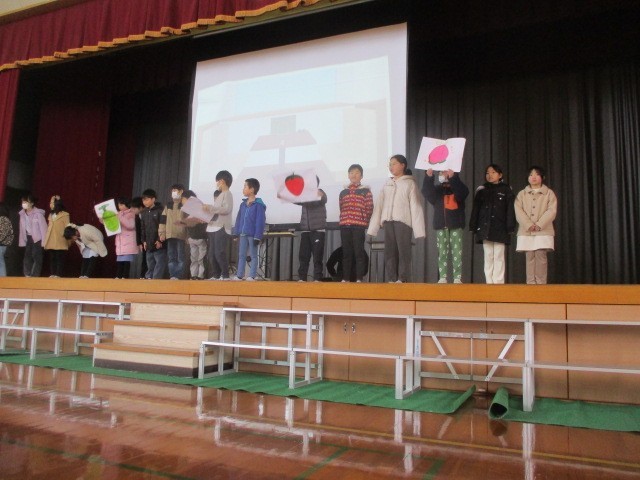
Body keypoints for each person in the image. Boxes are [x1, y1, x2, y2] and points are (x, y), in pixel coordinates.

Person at [367, 154, 425, 283]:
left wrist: (419, 230)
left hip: (403, 222)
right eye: (389, 164)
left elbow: (415, 206)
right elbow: (379, 206)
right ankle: (392, 278)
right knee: (390, 251)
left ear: (402, 165)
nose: (391, 166)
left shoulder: (409, 183)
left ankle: (402, 278)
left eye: (394, 164)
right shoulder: (387, 184)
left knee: (403, 251)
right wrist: (373, 228)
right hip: (388, 221)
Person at [469, 164, 516, 284]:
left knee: (499, 255)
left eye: (493, 172)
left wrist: (510, 226)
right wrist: (473, 226)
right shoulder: (481, 190)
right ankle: (489, 282)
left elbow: (510, 210)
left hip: (501, 227)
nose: (490, 175)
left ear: (500, 175)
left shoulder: (506, 190)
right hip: (485, 227)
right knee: (488, 255)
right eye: (487, 173)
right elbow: (476, 210)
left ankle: (498, 282)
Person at [422, 168, 469, 283]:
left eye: (444, 172)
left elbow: (462, 194)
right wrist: (429, 177)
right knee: (442, 252)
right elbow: (427, 192)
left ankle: (457, 277)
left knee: (457, 252)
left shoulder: (458, 187)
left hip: (456, 225)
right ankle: (442, 277)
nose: (442, 174)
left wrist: (453, 177)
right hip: (441, 225)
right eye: (440, 172)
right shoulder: (438, 190)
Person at [514, 166, 558, 284]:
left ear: (542, 177)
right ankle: (530, 284)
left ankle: (541, 285)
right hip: (526, 231)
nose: (533, 177)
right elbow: (518, 211)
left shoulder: (549, 193)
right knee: (529, 257)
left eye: (537, 174)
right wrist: (528, 224)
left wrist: (539, 224)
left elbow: (551, 211)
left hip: (543, 230)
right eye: (531, 174)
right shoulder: (522, 194)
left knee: (540, 256)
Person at [338, 164, 373, 282]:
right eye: (351, 172)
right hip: (345, 225)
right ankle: (346, 278)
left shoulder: (366, 191)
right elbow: (341, 207)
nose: (354, 175)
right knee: (346, 253)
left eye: (357, 172)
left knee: (359, 252)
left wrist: (363, 220)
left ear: (361, 176)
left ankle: (359, 278)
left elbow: (369, 209)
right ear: (348, 175)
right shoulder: (343, 192)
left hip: (359, 226)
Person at [232, 178, 266, 281]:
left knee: (253, 255)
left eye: (245, 186)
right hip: (242, 234)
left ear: (252, 189)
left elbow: (260, 221)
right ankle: (240, 275)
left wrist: (257, 236)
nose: (243, 189)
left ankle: (252, 275)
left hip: (252, 234)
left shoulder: (259, 205)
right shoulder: (243, 204)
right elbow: (238, 219)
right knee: (241, 255)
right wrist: (236, 233)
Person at [203, 171, 233, 281]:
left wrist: (210, 208)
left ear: (222, 181)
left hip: (221, 226)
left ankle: (225, 275)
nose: (217, 184)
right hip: (212, 227)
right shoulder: (220, 195)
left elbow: (226, 209)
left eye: (218, 181)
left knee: (219, 252)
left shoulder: (227, 194)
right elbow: (216, 211)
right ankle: (216, 275)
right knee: (211, 254)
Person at [296, 177, 327, 282]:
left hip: (318, 230)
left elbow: (323, 199)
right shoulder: (304, 195)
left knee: (317, 256)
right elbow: (296, 200)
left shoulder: (320, 192)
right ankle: (302, 278)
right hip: (306, 230)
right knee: (303, 256)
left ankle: (317, 278)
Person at [159, 184, 187, 280]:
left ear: (181, 191)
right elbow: (162, 220)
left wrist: (188, 236)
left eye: (175, 190)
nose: (173, 192)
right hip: (170, 234)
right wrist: (162, 233)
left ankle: (179, 276)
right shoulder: (168, 205)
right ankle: (173, 275)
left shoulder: (185, 204)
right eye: (172, 191)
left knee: (180, 257)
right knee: (171, 257)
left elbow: (189, 221)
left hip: (181, 235)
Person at [18, 194, 48, 277]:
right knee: (27, 256)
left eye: (26, 202)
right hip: (28, 237)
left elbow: (44, 228)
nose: (24, 203)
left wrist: (44, 242)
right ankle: (27, 274)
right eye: (23, 202)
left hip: (37, 238)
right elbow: (21, 229)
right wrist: (22, 240)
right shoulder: (22, 214)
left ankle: (35, 275)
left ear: (32, 203)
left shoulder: (38, 214)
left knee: (36, 256)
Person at [180, 190, 207, 280]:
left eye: (183, 199)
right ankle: (193, 275)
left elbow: (205, 222)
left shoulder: (200, 207)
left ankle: (200, 276)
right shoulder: (185, 210)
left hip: (201, 237)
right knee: (193, 258)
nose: (182, 201)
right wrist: (187, 236)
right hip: (191, 237)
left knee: (201, 258)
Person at [140, 189, 167, 279]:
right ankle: (149, 279)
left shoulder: (161, 210)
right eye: (143, 200)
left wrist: (160, 240)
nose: (144, 202)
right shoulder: (143, 212)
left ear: (153, 199)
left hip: (159, 243)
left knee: (159, 263)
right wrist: (144, 241)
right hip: (148, 243)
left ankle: (156, 280)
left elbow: (163, 226)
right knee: (150, 264)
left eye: (147, 199)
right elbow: (142, 228)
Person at [43, 195, 70, 278]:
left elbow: (67, 227)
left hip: (60, 239)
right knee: (52, 258)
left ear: (57, 204)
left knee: (59, 257)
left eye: (52, 203)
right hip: (51, 239)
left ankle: (58, 274)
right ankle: (53, 273)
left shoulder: (65, 214)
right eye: (50, 203)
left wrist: (68, 239)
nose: (50, 204)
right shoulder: (50, 215)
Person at [112, 198, 139, 279]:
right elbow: (112, 225)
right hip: (120, 241)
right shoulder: (119, 214)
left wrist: (120, 217)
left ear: (127, 205)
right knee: (120, 260)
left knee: (126, 261)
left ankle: (124, 276)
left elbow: (130, 225)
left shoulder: (131, 214)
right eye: (118, 205)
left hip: (128, 241)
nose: (119, 206)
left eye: (121, 204)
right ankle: (118, 275)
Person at [0, 204, 14, 277]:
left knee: (1, 261)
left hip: (2, 244)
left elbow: (2, 234)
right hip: (3, 244)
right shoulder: (5, 219)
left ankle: (2, 277)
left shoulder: (3, 219)